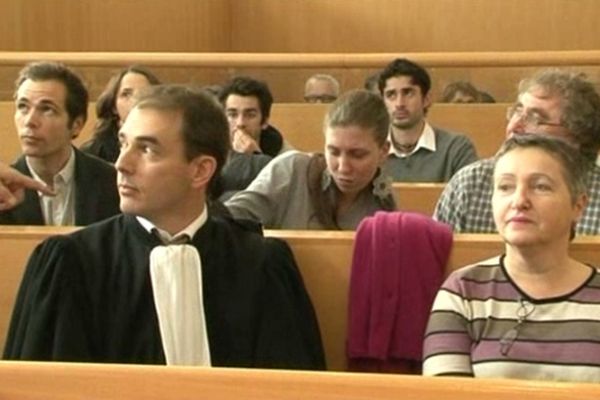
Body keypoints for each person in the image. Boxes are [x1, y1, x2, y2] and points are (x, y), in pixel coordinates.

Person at [4, 84, 325, 370]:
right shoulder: (71, 264)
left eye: (146, 149)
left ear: (200, 170)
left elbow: (292, 385)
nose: (121, 164)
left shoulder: (261, 265)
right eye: (123, 143)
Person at [423, 134, 600, 382]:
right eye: (505, 187)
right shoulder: (463, 290)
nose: (519, 201)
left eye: (540, 186)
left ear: (578, 206)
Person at [434, 69, 600, 235]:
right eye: (517, 111)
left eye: (535, 118)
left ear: (576, 137)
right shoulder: (470, 183)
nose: (516, 126)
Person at [225, 89, 396, 230]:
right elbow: (226, 220)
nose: (343, 167)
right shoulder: (292, 169)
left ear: (383, 151)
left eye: (357, 155)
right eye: (334, 152)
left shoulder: (385, 205)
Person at [0, 61, 119, 226]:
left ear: (76, 125)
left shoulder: (112, 182)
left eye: (47, 109)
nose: (29, 121)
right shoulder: (4, 188)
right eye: (23, 107)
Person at [379, 58, 478, 182]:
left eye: (408, 93)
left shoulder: (456, 148)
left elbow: (469, 196)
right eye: (391, 95)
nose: (399, 103)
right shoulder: (372, 150)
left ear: (426, 99)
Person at [81, 65, 161, 163]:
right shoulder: (93, 153)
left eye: (144, 93)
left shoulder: (168, 146)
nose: (135, 100)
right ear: (114, 106)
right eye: (126, 94)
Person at [219, 76, 290, 157]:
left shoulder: (284, 157)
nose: (240, 123)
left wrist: (256, 158)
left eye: (250, 115)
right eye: (232, 115)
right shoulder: (211, 151)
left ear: (265, 121)